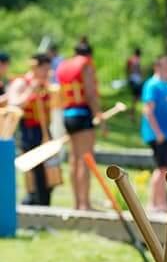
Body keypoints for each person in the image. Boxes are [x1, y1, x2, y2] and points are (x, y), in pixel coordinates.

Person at [55, 38, 103, 210]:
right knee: (86, 159)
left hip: (67, 115)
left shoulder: (63, 65)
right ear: (89, 54)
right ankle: (85, 204)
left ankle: (77, 203)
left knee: (74, 160)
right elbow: (90, 93)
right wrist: (100, 116)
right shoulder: (86, 65)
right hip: (82, 114)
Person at [8, 54, 52, 205]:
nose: (47, 73)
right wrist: (30, 91)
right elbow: (14, 105)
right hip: (28, 130)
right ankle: (32, 199)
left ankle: (44, 202)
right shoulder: (22, 83)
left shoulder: (45, 85)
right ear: (36, 67)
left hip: (44, 130)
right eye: (45, 69)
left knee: (47, 171)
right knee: (33, 169)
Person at [140, 56, 167, 213]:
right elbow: (148, 110)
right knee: (162, 168)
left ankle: (161, 202)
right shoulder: (152, 85)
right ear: (157, 67)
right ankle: (157, 203)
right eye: (166, 67)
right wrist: (158, 133)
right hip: (159, 134)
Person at [126, 47, 144, 121]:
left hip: (132, 80)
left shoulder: (130, 59)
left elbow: (127, 69)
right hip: (136, 80)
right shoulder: (137, 60)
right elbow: (138, 70)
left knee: (135, 98)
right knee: (138, 97)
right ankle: (133, 114)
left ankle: (132, 114)